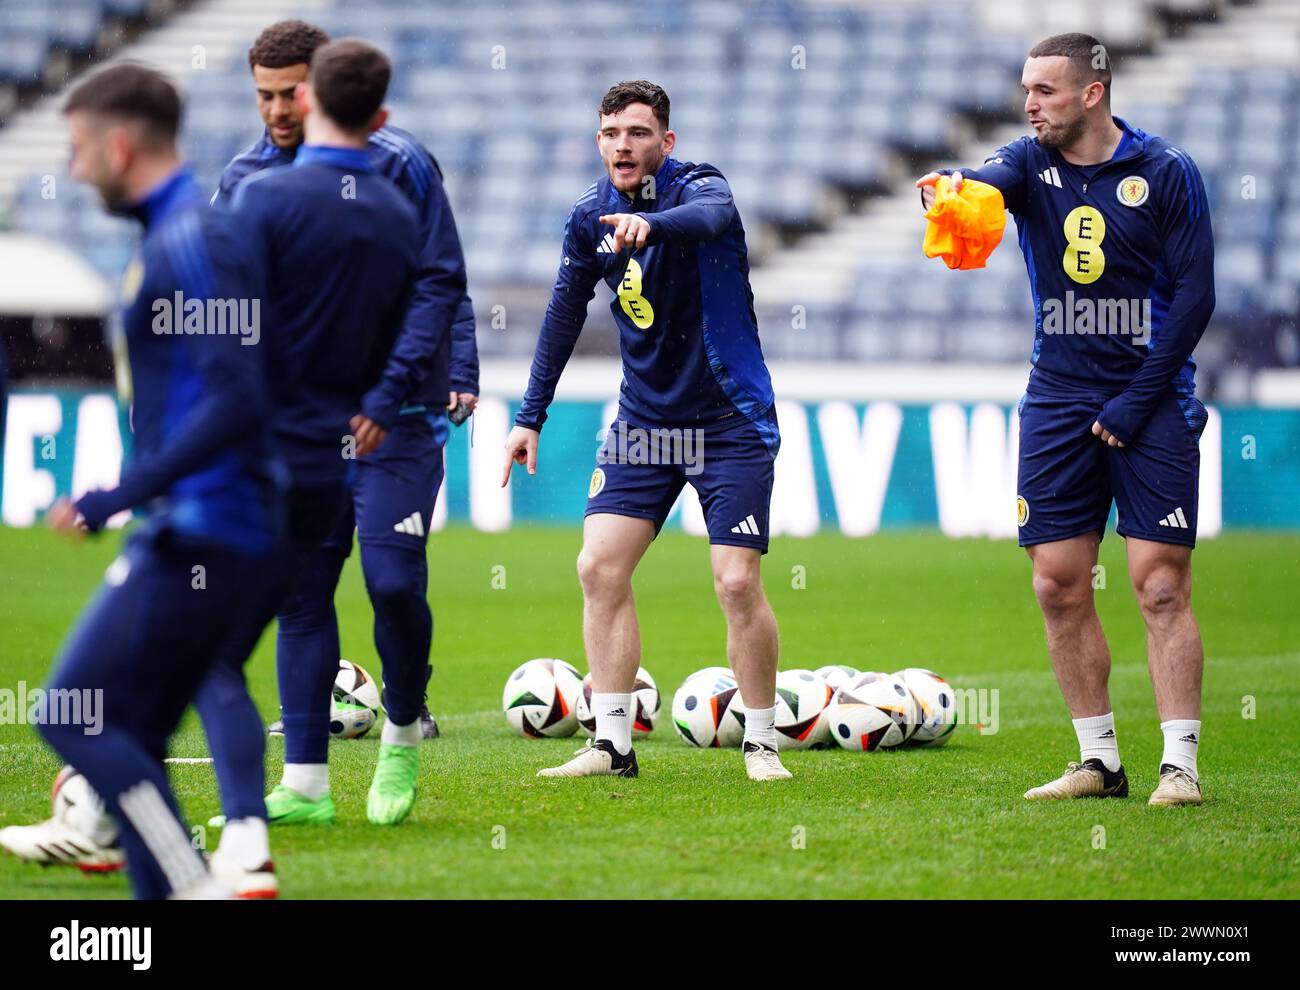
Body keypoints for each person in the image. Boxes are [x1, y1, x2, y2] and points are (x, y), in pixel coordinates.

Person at [0, 62, 285, 898]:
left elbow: (238, 395)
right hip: (207, 523)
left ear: (120, 145)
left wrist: (113, 496)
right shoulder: (180, 235)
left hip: (207, 527)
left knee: (67, 714)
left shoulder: (189, 238)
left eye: (80, 147)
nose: (73, 166)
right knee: (129, 739)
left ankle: (197, 886)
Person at [915, 33, 1215, 806]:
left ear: (1092, 93)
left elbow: (1195, 300)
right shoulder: (1027, 162)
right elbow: (981, 184)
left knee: (1159, 585)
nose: (1030, 104)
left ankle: (1179, 765)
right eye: (1026, 90)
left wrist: (1136, 400)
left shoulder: (1166, 172)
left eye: (1045, 90)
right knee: (1057, 583)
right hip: (1056, 397)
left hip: (1151, 398)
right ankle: (1100, 762)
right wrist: (947, 189)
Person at [502, 80, 790, 782]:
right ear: (598, 141)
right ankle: (610, 743)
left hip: (729, 421)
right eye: (610, 134)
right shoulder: (588, 217)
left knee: (734, 583)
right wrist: (529, 415)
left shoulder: (703, 187)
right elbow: (563, 315)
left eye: (637, 133)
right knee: (598, 567)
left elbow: (706, 218)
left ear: (666, 142)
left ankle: (759, 740)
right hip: (645, 422)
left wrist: (650, 226)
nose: (623, 145)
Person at [210, 19, 480, 743]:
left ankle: (405, 705)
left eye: (290, 92)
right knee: (303, 589)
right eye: (262, 95)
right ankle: (304, 756)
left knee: (392, 582)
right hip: (301, 422)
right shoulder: (243, 179)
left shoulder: (400, 164)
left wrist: (459, 365)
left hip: (400, 411)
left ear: (323, 84)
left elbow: (442, 279)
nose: (275, 110)